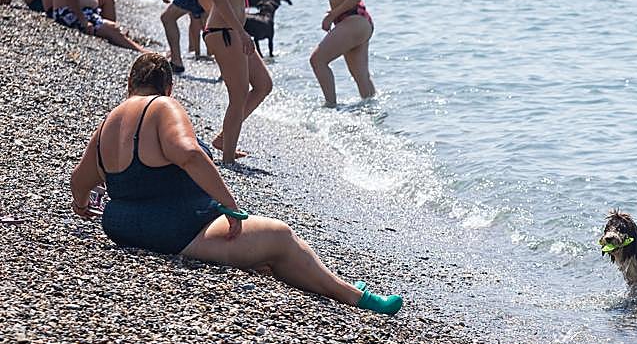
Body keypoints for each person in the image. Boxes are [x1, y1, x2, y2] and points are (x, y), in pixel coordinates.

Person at [69, 53, 403, 314]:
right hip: (174, 230)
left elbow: (80, 182)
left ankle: (327, 280)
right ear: (169, 87)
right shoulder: (163, 106)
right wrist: (231, 206)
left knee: (266, 258)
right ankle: (355, 296)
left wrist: (83, 205)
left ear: (130, 83)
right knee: (281, 236)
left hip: (122, 226)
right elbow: (189, 154)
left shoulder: (109, 123)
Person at [196, 0, 272, 163]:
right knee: (238, 94)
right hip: (228, 33)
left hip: (225, 30)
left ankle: (223, 139)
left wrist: (215, 22)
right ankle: (228, 156)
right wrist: (235, 30)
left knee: (263, 84)